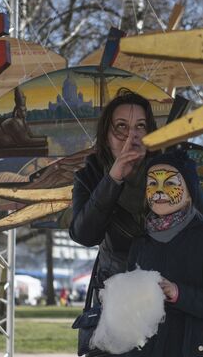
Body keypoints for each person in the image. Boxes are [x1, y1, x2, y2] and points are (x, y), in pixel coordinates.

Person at [127, 150, 203, 357]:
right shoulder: (140, 243)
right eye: (152, 183)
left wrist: (178, 293)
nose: (159, 191)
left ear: (189, 192)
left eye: (170, 183)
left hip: (189, 349)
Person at [69, 89, 158, 291]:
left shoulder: (170, 172)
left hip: (167, 292)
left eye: (140, 127)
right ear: (106, 136)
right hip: (114, 292)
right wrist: (112, 180)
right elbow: (84, 235)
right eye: (121, 127)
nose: (131, 136)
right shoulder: (89, 176)